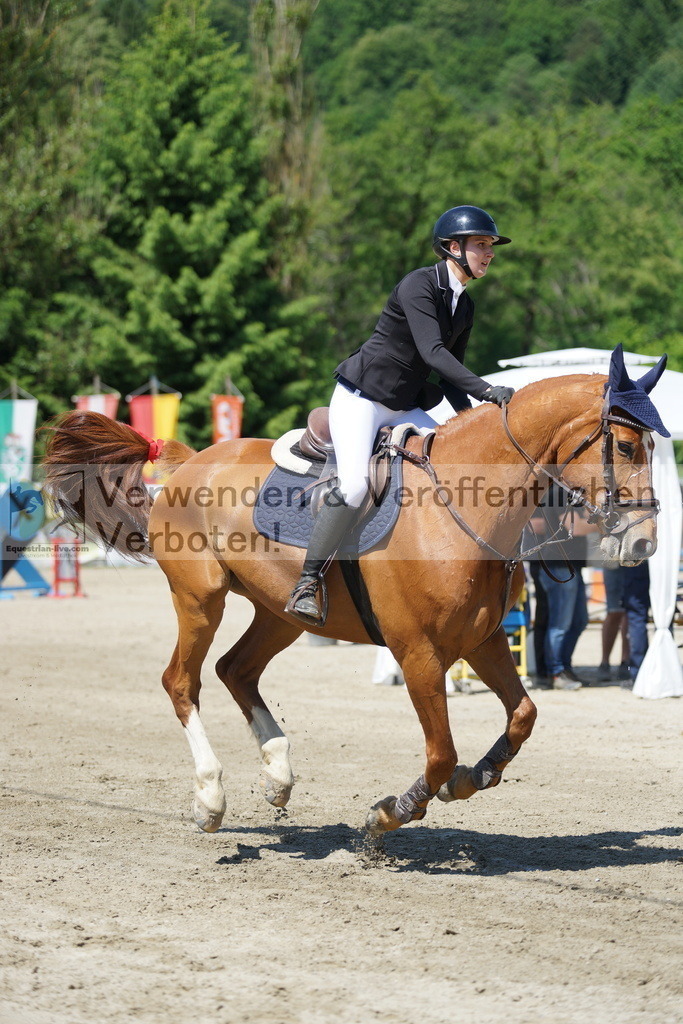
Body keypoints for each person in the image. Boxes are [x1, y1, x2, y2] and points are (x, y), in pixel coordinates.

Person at [284, 205, 515, 625]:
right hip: (361, 399)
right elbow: (434, 354)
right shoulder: (418, 284)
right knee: (355, 485)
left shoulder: (464, 306)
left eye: (490, 246)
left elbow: (450, 378)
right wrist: (487, 391)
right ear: (453, 248)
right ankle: (307, 582)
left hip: (405, 404)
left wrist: (477, 422)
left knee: (453, 465)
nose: (490, 252)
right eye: (481, 244)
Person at [528, 485, 593, 690]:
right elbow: (575, 527)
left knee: (578, 621)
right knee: (560, 623)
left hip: (569, 565)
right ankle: (555, 671)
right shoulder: (558, 493)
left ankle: (563, 667)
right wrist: (606, 526)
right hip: (558, 565)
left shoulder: (567, 494)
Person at [597, 567, 630, 681]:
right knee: (614, 612)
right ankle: (605, 662)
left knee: (629, 615)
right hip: (615, 564)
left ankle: (626, 662)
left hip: (635, 564)